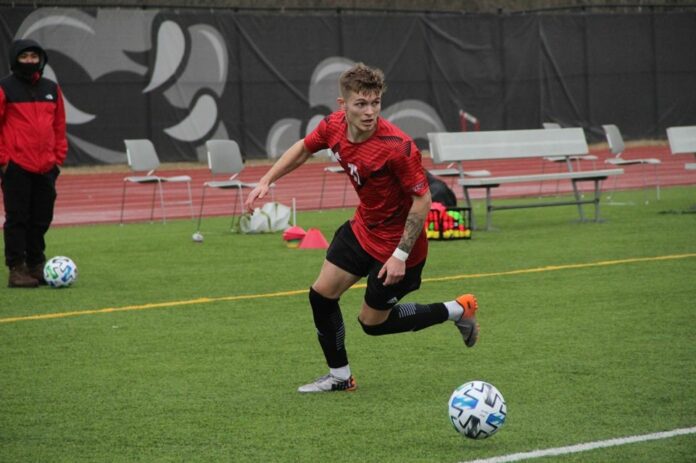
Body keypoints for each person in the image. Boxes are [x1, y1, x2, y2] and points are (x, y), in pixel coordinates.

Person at [245, 63, 479, 393]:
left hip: (398, 248)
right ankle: (340, 377)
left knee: (372, 324)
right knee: (321, 296)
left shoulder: (398, 146)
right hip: (362, 229)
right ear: (343, 105)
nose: (370, 112)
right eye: (361, 104)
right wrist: (266, 180)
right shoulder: (333, 126)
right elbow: (304, 148)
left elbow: (423, 200)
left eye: (375, 103)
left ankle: (456, 310)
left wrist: (399, 255)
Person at [0, 39, 67, 287]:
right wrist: (4, 161)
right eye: (24, 56)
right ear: (15, 59)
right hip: (16, 165)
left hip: (46, 166)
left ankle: (36, 263)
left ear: (41, 59)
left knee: (41, 217)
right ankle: (16, 269)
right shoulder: (5, 88)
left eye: (34, 56)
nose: (30, 61)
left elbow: (59, 125)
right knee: (17, 218)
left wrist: (57, 158)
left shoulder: (51, 88)